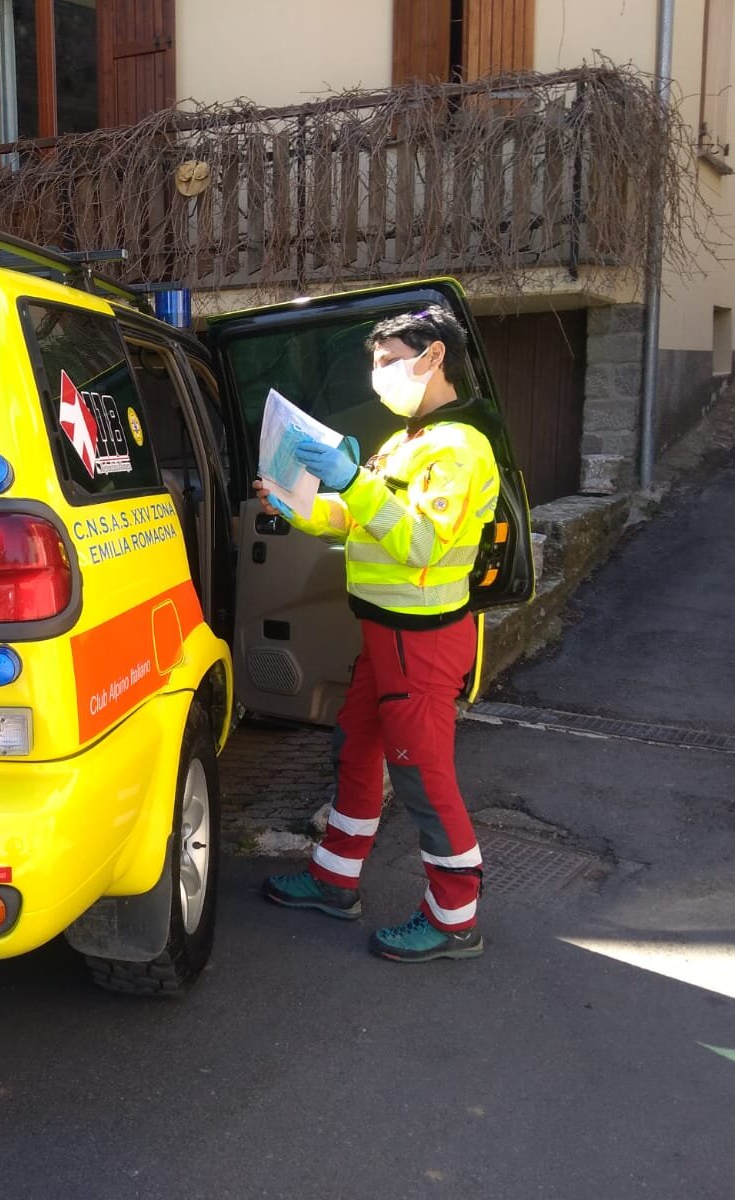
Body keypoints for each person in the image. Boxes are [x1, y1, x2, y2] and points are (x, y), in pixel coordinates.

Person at [258, 306, 500, 963]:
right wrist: (297, 506)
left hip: (422, 642)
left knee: (422, 774)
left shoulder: (457, 447)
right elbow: (358, 518)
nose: (378, 373)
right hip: (383, 635)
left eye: (389, 359)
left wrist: (353, 484)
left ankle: (454, 920)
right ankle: (334, 880)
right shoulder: (407, 442)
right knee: (357, 748)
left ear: (434, 357)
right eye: (374, 361)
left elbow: (419, 542)